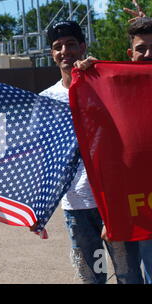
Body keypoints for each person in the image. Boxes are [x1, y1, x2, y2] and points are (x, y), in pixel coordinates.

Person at [39, 20, 144, 284]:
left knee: (129, 276)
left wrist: (97, 71)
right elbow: (44, 159)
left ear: (83, 47)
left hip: (114, 204)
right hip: (75, 207)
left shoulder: (103, 86)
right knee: (90, 278)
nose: (65, 51)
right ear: (52, 54)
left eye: (71, 44)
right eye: (57, 46)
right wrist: (37, 209)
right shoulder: (46, 100)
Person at [77, 14, 152, 284]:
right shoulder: (116, 86)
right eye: (141, 48)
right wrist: (93, 73)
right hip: (141, 207)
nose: (148, 54)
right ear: (130, 54)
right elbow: (111, 159)